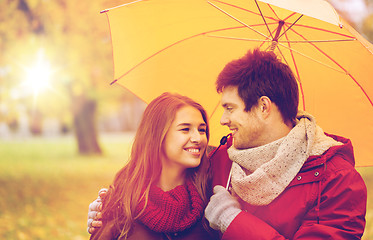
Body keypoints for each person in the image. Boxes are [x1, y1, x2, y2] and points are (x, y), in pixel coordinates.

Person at [88, 49, 367, 239]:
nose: (221, 120)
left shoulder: (337, 181)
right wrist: (112, 211)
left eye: (230, 108)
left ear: (263, 107)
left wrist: (233, 220)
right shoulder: (219, 160)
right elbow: (166, 193)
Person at [88, 92, 218, 240]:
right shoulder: (123, 200)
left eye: (202, 129)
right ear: (158, 135)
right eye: (185, 129)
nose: (198, 138)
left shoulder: (210, 198)